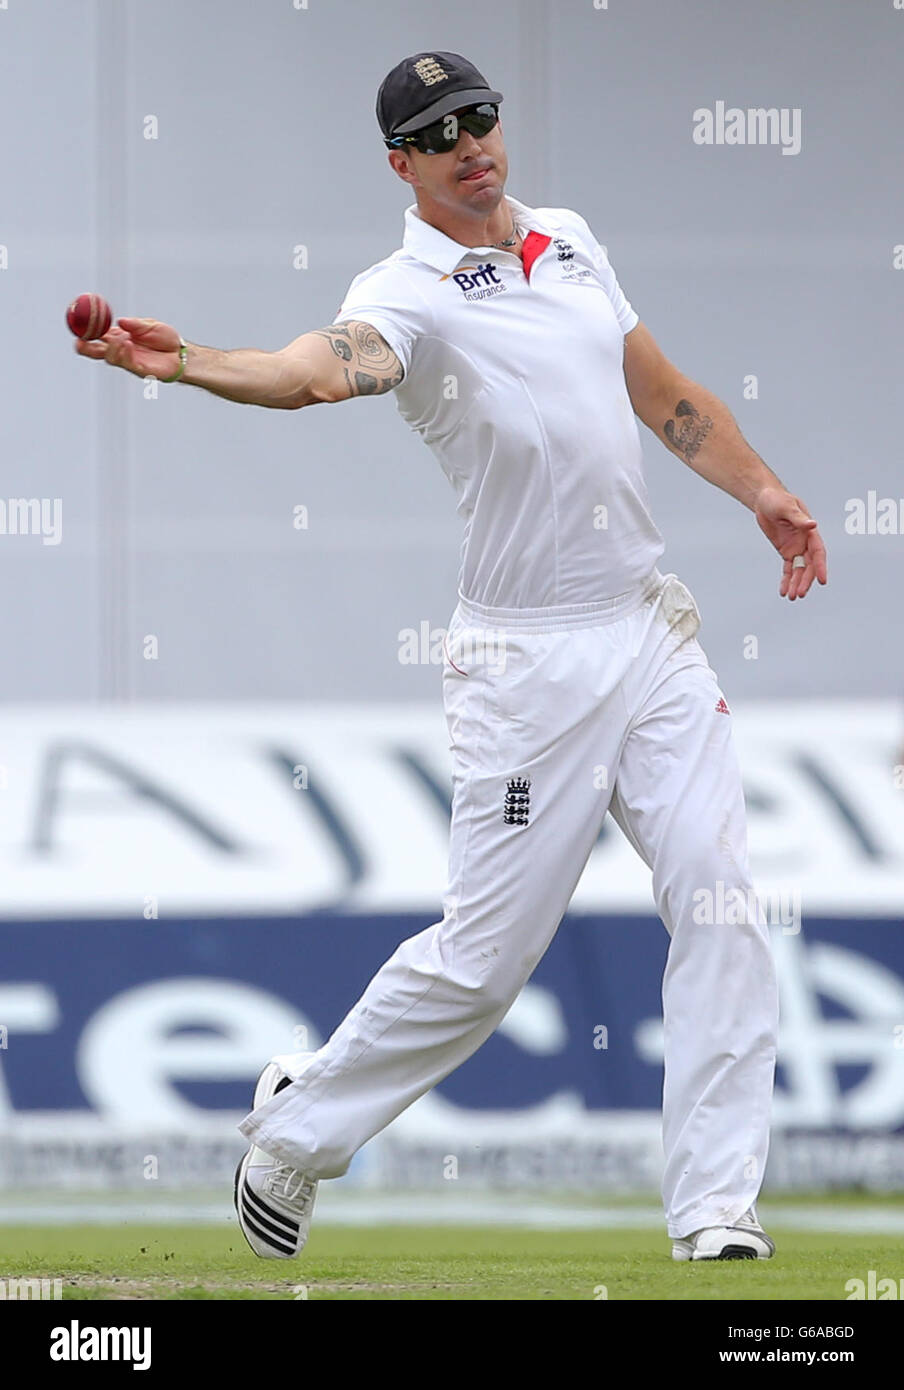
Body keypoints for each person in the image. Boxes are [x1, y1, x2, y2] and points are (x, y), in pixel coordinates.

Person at [75, 50, 827, 1263]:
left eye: (479, 116)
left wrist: (764, 492)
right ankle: (297, 1128)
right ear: (402, 165)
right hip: (525, 670)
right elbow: (314, 372)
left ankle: (712, 1212)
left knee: (723, 903)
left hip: (647, 631)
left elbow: (664, 392)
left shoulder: (570, 240)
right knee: (485, 965)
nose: (471, 141)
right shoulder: (407, 290)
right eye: (439, 132)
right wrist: (190, 361)